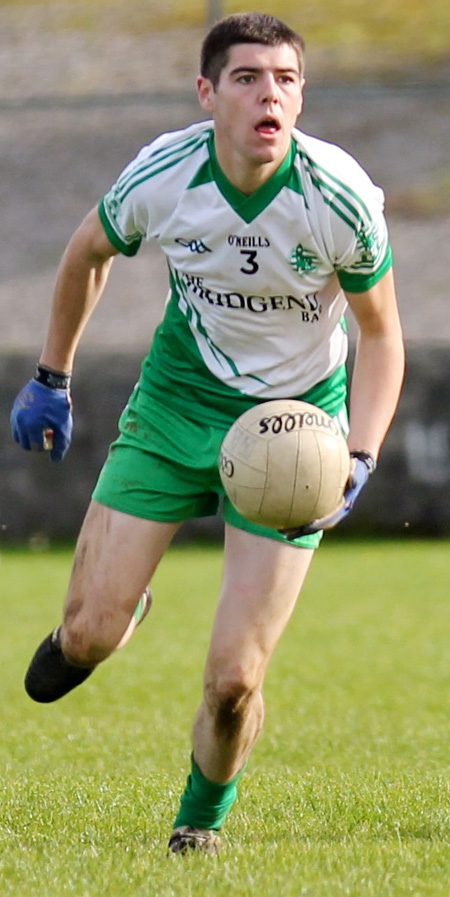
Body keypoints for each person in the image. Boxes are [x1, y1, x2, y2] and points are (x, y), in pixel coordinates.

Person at [10, 12, 405, 855]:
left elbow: (382, 333)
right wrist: (52, 375)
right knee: (80, 642)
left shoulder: (338, 196)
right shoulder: (164, 173)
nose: (271, 93)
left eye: (287, 79)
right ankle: (116, 614)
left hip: (290, 431)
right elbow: (87, 251)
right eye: (248, 77)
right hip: (175, 404)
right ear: (208, 92)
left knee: (234, 681)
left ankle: (200, 824)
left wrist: (360, 451)